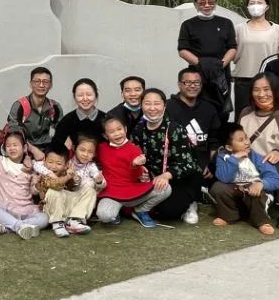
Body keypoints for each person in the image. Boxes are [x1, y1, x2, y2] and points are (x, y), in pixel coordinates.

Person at [132, 88, 205, 225]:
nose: (152, 108)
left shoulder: (174, 128)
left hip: (180, 178)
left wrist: (166, 175)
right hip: (154, 179)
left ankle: (191, 202)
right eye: (147, 103)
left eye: (157, 104)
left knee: (169, 212)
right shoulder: (139, 129)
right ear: (141, 106)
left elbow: (187, 163)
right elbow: (134, 155)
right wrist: (141, 170)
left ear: (164, 106)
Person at [239, 73, 279, 230]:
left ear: (276, 91)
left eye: (267, 89)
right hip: (251, 168)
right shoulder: (245, 113)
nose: (261, 94)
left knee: (276, 167)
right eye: (256, 90)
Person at [0, 127, 47, 240]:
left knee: (44, 218)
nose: (12, 148)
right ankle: (18, 226)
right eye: (8, 146)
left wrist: (38, 186)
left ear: (24, 148)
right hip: (4, 207)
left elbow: (33, 191)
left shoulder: (30, 167)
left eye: (15, 145)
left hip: (25, 209)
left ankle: (8, 226)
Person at [95, 116, 170, 228]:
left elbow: (138, 176)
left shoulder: (135, 149)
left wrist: (136, 165)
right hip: (111, 193)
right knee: (105, 216)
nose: (117, 134)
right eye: (111, 132)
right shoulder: (101, 148)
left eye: (119, 129)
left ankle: (140, 210)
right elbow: (87, 156)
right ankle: (118, 212)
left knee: (166, 188)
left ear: (125, 129)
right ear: (105, 136)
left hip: (133, 191)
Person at [177, 0, 237, 125]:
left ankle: (220, 136)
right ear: (195, 5)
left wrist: (220, 65)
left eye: (211, 2)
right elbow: (182, 50)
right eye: (202, 3)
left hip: (221, 73)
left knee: (222, 111)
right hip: (197, 74)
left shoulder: (226, 23)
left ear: (215, 3)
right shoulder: (188, 25)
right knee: (197, 108)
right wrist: (202, 64)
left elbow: (232, 48)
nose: (207, 5)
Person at [212, 124, 279, 236]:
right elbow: (224, 178)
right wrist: (234, 159)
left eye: (246, 137)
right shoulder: (223, 157)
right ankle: (229, 216)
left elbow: (276, 178)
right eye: (241, 140)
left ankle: (261, 221)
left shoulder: (255, 157)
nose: (247, 142)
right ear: (229, 147)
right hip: (237, 190)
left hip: (255, 189)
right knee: (218, 187)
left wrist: (261, 184)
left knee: (257, 195)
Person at [36, 138, 102, 237]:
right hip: (51, 208)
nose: (53, 166)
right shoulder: (44, 173)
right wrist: (66, 177)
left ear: (66, 164)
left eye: (58, 163)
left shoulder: (66, 171)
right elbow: (55, 185)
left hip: (65, 205)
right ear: (44, 161)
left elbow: (71, 188)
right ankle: (57, 223)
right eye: (50, 162)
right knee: (55, 191)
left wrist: (75, 179)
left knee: (90, 191)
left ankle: (74, 220)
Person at [233, 0, 279, 116]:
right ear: (247, 7)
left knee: (268, 115)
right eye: (252, 3)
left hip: (268, 81)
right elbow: (231, 51)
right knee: (243, 116)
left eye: (259, 3)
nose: (255, 6)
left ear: (267, 7)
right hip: (243, 80)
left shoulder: (278, 30)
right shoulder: (238, 29)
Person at [166, 67, 221, 178]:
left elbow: (214, 140)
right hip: (175, 168)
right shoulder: (167, 107)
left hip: (203, 168)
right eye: (187, 82)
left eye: (196, 82)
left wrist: (212, 166)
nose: (192, 86)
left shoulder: (209, 108)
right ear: (179, 84)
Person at [6, 67, 61, 150]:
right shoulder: (20, 106)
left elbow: (60, 131)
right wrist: (32, 150)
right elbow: (15, 135)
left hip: (48, 149)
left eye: (45, 82)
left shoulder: (55, 107)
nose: (41, 85)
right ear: (31, 84)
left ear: (51, 85)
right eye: (37, 81)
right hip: (24, 149)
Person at [51, 78, 104, 150]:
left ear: (96, 96)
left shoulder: (106, 119)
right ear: (74, 97)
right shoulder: (66, 121)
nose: (85, 98)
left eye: (89, 94)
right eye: (80, 95)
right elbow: (55, 147)